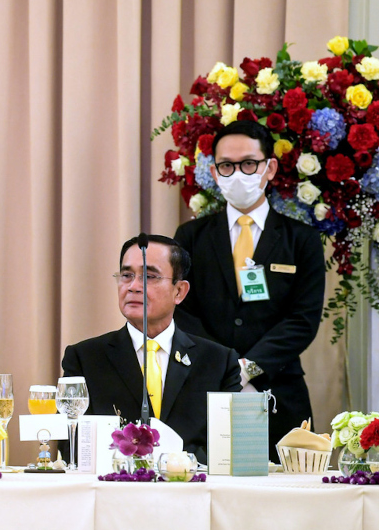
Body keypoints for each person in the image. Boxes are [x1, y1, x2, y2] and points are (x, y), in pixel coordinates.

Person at [174, 120, 325, 461]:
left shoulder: (301, 240)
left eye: (248, 164)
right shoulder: (191, 237)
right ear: (214, 172)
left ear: (269, 167)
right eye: (227, 165)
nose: (237, 173)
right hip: (205, 388)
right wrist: (223, 366)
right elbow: (181, 311)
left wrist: (250, 367)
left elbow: (303, 319)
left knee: (287, 500)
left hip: (280, 392)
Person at [61, 235, 241, 464]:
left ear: (179, 292)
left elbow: (227, 452)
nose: (133, 286)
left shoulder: (218, 361)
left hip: (192, 491)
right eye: (126, 275)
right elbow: (72, 447)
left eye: (149, 277)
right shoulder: (85, 358)